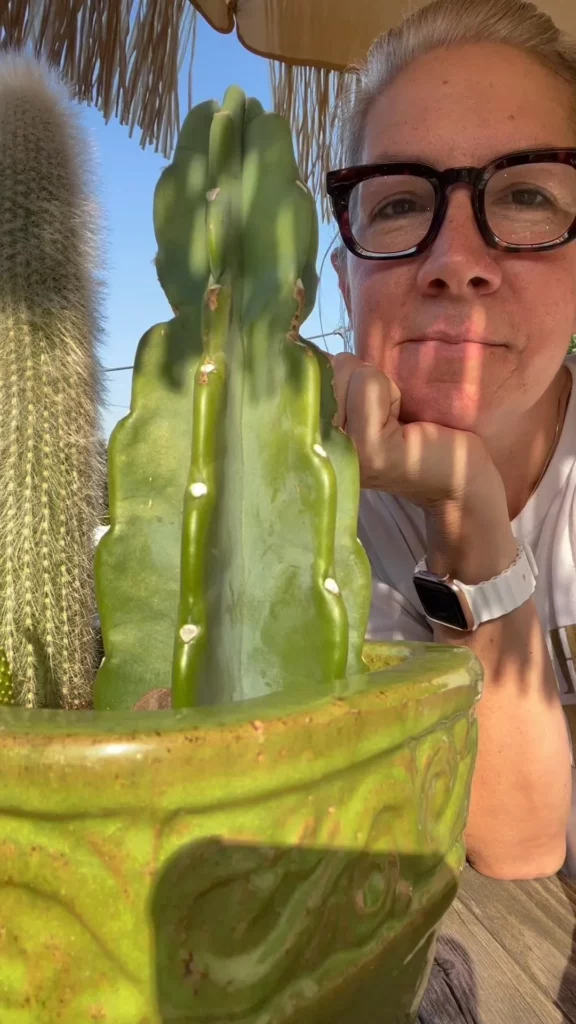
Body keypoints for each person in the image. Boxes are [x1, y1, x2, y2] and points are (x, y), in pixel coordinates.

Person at [327, 0, 576, 880]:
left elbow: (529, 848)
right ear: (345, 277)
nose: (456, 262)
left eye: (525, 196)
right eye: (400, 203)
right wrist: (463, 499)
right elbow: (511, 845)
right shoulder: (303, 513)